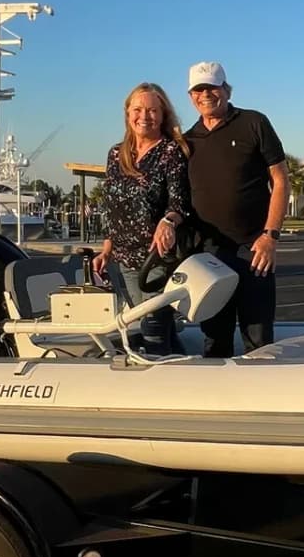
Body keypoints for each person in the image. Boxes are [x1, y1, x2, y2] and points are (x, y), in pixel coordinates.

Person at [183, 61, 288, 357]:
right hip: (210, 254)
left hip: (254, 250)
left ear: (226, 90)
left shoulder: (254, 122)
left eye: (212, 87)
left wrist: (270, 236)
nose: (206, 95)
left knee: (258, 338)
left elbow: (280, 180)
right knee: (215, 339)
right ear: (191, 96)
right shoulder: (187, 141)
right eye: (198, 89)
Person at [91, 82, 191, 355]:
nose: (144, 116)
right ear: (128, 113)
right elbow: (112, 206)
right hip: (125, 259)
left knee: (153, 329)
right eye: (138, 109)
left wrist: (168, 222)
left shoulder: (170, 152)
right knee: (156, 326)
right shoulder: (116, 154)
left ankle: (162, 380)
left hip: (156, 259)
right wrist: (107, 250)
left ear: (163, 114)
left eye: (152, 110)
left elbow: (179, 202)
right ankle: (189, 370)